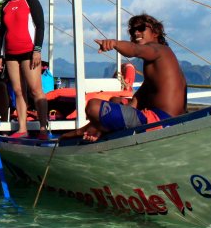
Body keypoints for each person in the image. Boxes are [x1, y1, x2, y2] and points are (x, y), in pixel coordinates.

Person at [62, 14, 187, 142]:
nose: (136, 32)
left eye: (141, 28)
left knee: (93, 106)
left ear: (155, 32)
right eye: (133, 31)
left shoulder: (159, 50)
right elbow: (136, 101)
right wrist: (98, 122)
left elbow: (135, 50)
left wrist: (113, 43)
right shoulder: (157, 66)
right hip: (171, 120)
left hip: (162, 122)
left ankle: (88, 130)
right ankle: (96, 128)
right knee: (115, 100)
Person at [0, 0, 51, 138]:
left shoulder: (30, 0)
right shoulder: (5, 5)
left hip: (29, 52)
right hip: (11, 54)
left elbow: (40, 26)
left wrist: (37, 50)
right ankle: (22, 128)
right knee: (18, 91)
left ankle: (42, 128)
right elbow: (2, 32)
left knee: (35, 90)